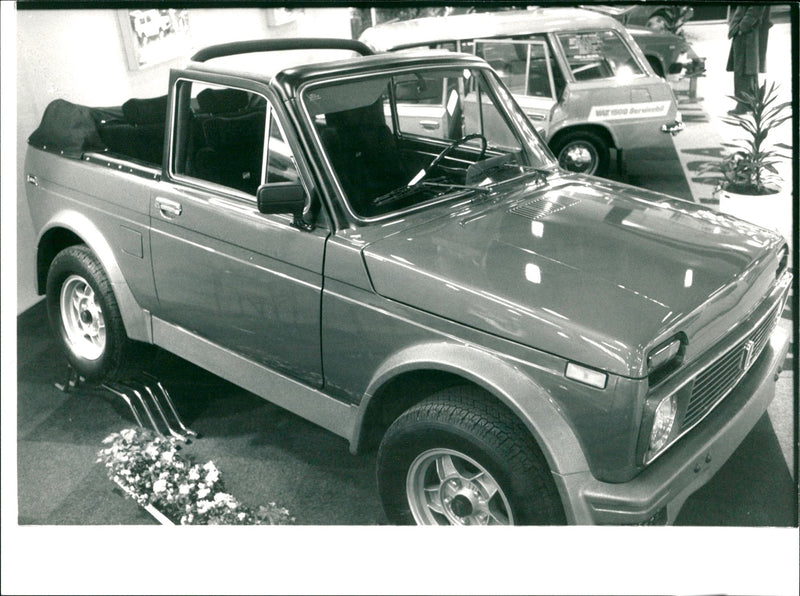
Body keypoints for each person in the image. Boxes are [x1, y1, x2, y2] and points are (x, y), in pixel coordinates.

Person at [726, 5, 772, 115]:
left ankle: (744, 105)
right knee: (746, 67)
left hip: (747, 32)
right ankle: (749, 104)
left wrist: (742, 28)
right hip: (746, 30)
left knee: (744, 68)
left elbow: (756, 9)